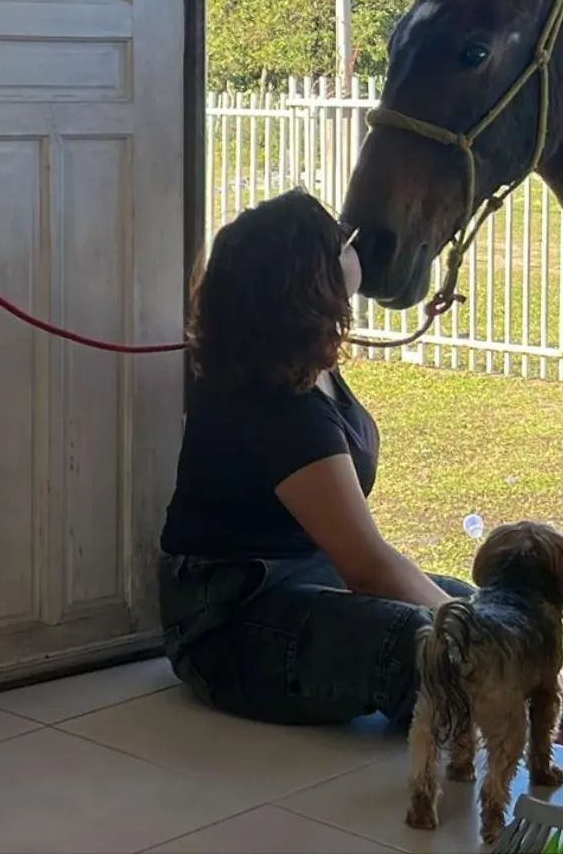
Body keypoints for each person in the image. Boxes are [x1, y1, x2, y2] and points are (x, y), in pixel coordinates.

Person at [159, 189, 473, 728]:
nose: (358, 248)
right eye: (344, 242)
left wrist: (478, 623)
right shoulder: (278, 408)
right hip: (228, 626)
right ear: (315, 282)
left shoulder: (298, 360)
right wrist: (486, 647)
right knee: (426, 644)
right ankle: (477, 714)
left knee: (470, 602)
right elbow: (370, 567)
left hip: (305, 581)